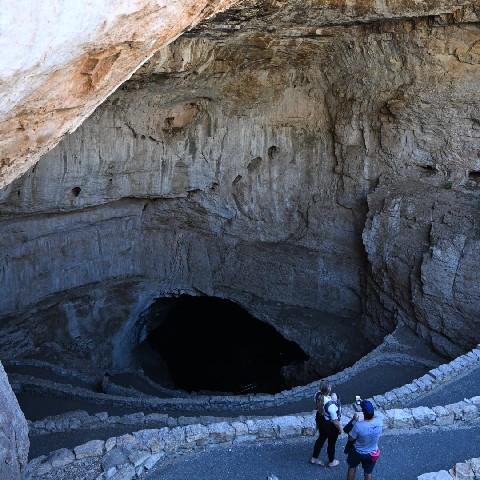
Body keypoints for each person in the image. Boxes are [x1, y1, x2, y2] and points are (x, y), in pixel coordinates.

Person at [346, 400, 383, 480]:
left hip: (358, 452)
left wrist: (354, 421)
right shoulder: (380, 422)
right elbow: (374, 417)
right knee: (368, 473)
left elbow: (350, 438)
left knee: (352, 467)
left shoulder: (358, 425)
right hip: (372, 453)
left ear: (363, 413)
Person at [310, 380, 343, 467]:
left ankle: (314, 458)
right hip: (329, 425)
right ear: (329, 389)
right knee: (331, 444)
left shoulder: (317, 395)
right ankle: (331, 462)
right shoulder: (331, 406)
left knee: (320, 439)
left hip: (321, 420)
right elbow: (335, 421)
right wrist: (340, 428)